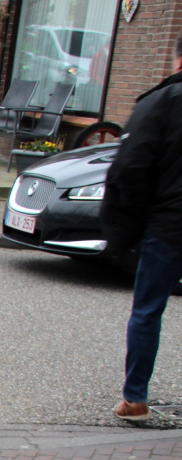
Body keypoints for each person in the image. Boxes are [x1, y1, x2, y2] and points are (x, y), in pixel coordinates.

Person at [102, 32, 182, 421]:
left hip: (170, 226)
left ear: (178, 60)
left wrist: (123, 229)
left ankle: (135, 399)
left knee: (149, 309)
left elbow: (129, 168)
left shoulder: (160, 103)